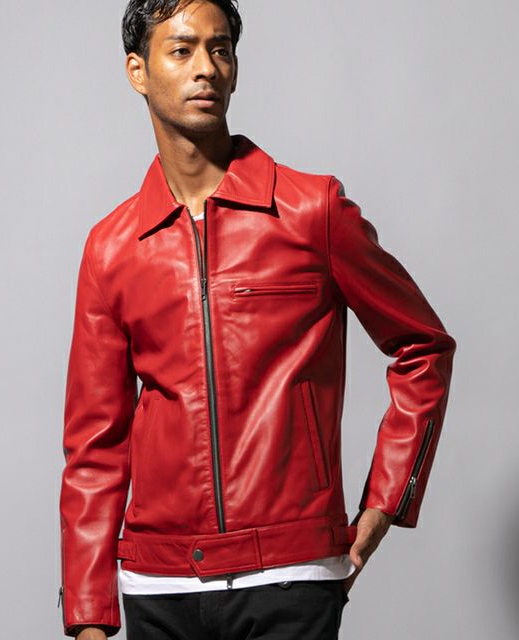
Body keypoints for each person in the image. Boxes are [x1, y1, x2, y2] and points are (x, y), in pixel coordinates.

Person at [58, 1, 456, 638]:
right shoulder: (111, 248)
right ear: (138, 71)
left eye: (220, 49)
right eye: (181, 50)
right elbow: (94, 447)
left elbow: (423, 347)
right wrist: (88, 619)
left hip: (291, 573)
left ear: (236, 69)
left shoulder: (311, 210)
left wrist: (385, 504)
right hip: (158, 584)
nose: (206, 68)